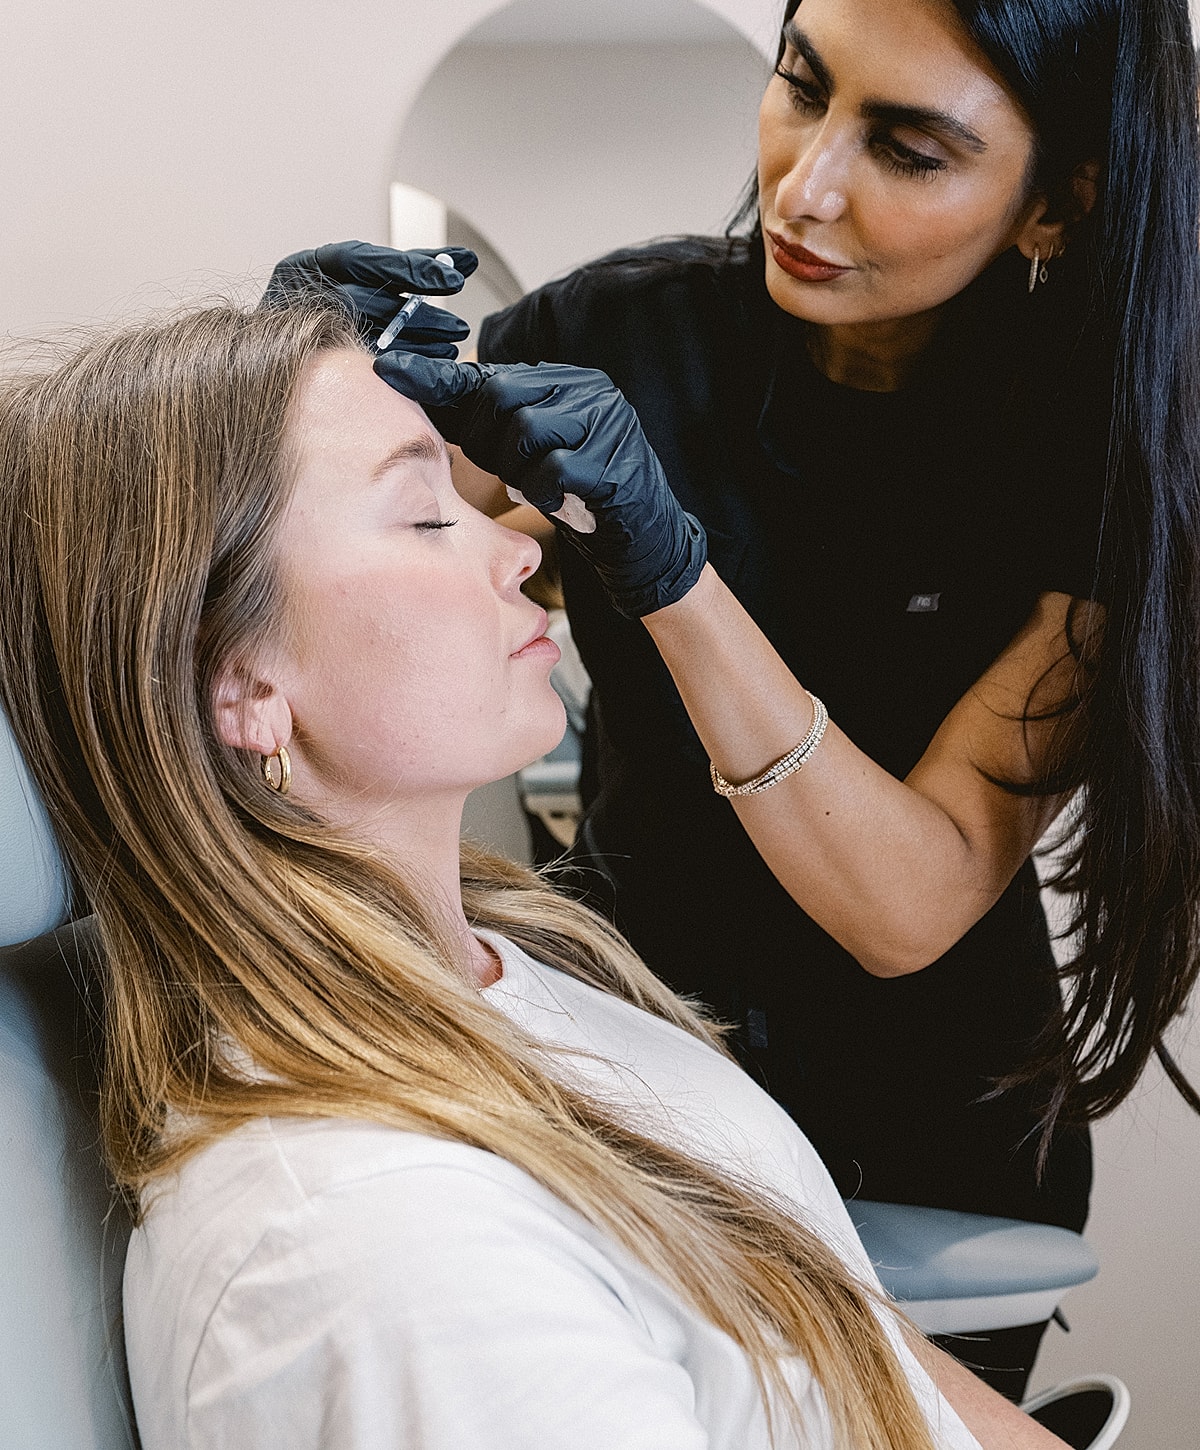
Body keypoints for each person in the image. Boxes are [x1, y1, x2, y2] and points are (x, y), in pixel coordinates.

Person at [0, 296, 1077, 1449]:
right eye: (425, 515)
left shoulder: (513, 971)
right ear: (242, 683)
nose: (522, 548)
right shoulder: (373, 1251)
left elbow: (858, 1346)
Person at [353, 0, 1200, 1399]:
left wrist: (674, 576)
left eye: (909, 150)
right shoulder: (616, 327)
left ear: (1058, 205)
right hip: (631, 1064)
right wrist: (299, 395)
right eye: (801, 87)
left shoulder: (1092, 460)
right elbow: (371, 593)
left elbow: (907, 906)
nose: (804, 187)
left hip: (926, 1133)